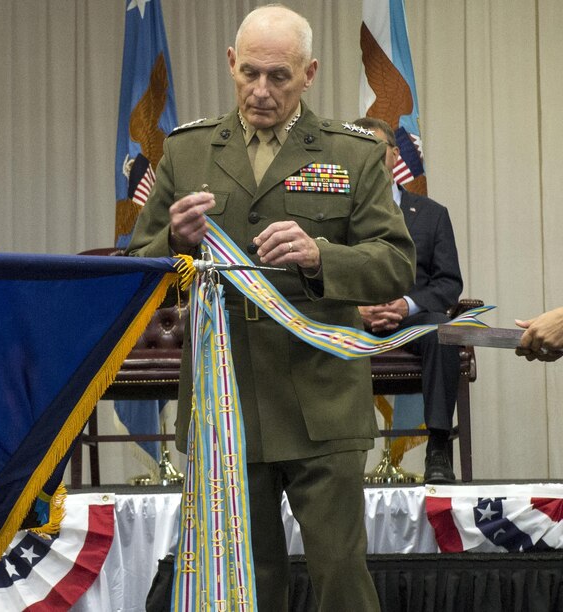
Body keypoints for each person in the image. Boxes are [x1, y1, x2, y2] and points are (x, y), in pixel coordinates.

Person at [127, 5, 414, 611]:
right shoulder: (187, 151)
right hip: (225, 400)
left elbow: (395, 263)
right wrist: (173, 242)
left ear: (309, 74)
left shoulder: (352, 153)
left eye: (279, 77)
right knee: (244, 580)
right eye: (250, 73)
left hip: (322, 399)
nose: (261, 91)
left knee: (340, 574)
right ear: (231, 64)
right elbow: (137, 272)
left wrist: (320, 257)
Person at [353, 116, 464, 484]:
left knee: (443, 331)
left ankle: (437, 449)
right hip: (350, 320)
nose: (367, 157)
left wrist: (404, 304)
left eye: (375, 148)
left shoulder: (432, 215)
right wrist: (356, 311)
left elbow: (448, 283)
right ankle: (335, 458)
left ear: (394, 155)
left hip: (412, 321)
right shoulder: (335, 216)